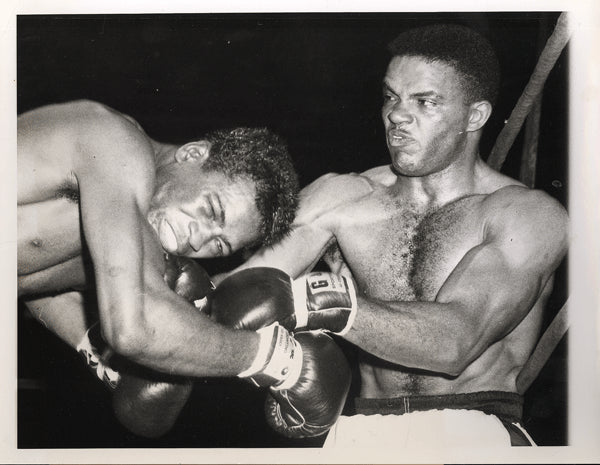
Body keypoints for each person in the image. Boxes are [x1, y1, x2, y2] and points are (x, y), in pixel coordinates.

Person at [220, 24, 569, 447]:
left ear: (474, 116)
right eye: (391, 97)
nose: (397, 115)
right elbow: (242, 291)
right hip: (362, 430)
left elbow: (455, 342)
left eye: (425, 101)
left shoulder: (526, 215)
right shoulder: (343, 197)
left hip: (473, 427)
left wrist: (320, 303)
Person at [17, 99, 326, 437]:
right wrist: (279, 360)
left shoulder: (118, 226)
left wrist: (97, 352)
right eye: (211, 209)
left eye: (218, 245)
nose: (197, 241)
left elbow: (35, 281)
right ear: (192, 154)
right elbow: (134, 329)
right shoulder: (116, 143)